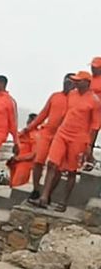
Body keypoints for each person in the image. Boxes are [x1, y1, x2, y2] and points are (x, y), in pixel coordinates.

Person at [31, 71, 101, 211]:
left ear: (87, 82)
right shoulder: (71, 94)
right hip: (62, 133)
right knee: (52, 163)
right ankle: (44, 197)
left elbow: (94, 126)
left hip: (78, 138)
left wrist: (89, 146)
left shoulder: (94, 101)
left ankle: (63, 202)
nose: (75, 82)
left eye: (78, 80)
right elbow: (65, 114)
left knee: (71, 171)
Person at [23, 74, 74, 199]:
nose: (67, 84)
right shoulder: (55, 96)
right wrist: (29, 128)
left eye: (71, 82)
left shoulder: (75, 100)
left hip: (62, 136)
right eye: (66, 81)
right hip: (47, 133)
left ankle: (48, 193)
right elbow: (43, 114)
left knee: (56, 166)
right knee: (38, 161)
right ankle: (36, 189)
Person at [8, 113, 38, 188]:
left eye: (32, 120)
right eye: (29, 120)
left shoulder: (35, 135)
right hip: (15, 162)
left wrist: (18, 158)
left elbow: (34, 154)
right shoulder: (23, 132)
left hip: (24, 164)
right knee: (12, 185)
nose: (29, 122)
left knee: (16, 185)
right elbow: (15, 148)